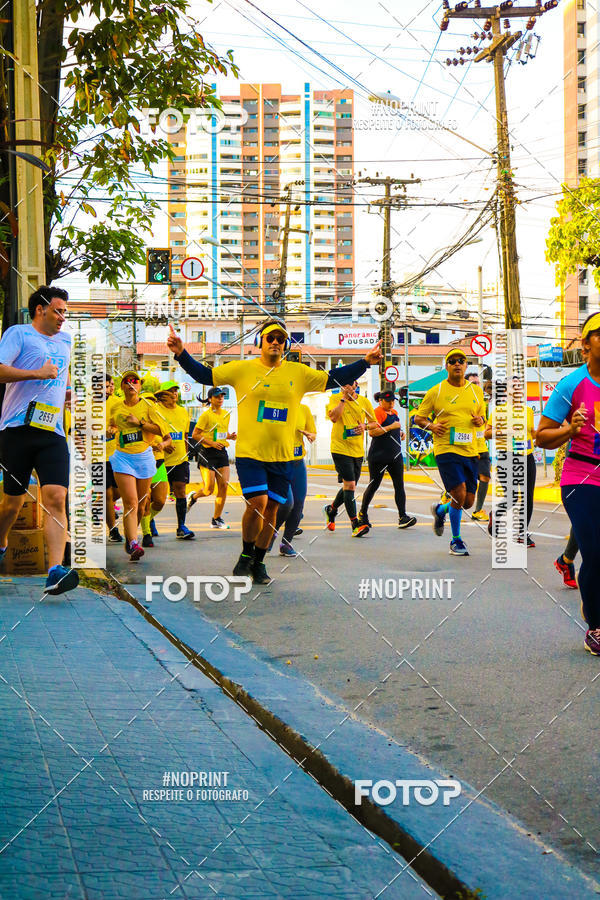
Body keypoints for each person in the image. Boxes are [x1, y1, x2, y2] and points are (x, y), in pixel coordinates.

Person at [167, 318, 382, 583]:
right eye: (271, 338)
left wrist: (365, 362)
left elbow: (332, 378)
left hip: (283, 456)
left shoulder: (298, 373)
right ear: (260, 342)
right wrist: (181, 353)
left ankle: (258, 561)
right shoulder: (242, 369)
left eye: (281, 339)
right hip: (250, 454)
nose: (276, 343)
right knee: (257, 503)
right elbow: (204, 375)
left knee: (272, 510)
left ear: (286, 345)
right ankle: (246, 554)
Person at [0, 286, 79, 595]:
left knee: (56, 497)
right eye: (58, 311)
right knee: (13, 503)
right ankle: (1, 542)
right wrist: (37, 374)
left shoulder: (66, 340)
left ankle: (55, 570)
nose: (62, 317)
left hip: (52, 432)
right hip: (16, 429)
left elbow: (62, 374)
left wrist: (67, 393)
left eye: (65, 312)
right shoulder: (18, 334)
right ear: (40, 309)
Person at [536, 311, 600, 655]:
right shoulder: (571, 384)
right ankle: (596, 626)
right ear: (586, 344)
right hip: (581, 477)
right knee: (595, 552)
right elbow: (542, 436)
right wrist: (570, 430)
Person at [413, 348, 486, 556]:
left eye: (461, 360)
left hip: (470, 450)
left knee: (468, 502)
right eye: (452, 361)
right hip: (446, 449)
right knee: (459, 493)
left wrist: (480, 420)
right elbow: (419, 418)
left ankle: (440, 510)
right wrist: (432, 426)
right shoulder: (436, 391)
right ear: (446, 366)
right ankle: (456, 541)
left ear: (466, 365)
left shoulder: (476, 391)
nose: (457, 364)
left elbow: (482, 418)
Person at [109, 370, 167, 561]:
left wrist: (139, 423)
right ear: (122, 386)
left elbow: (160, 430)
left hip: (144, 458)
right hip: (122, 458)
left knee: (141, 506)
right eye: (127, 381)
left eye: (135, 381)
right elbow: (113, 424)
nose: (131, 383)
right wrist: (111, 429)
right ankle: (134, 543)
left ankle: (130, 540)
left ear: (140, 385)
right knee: (131, 503)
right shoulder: (116, 407)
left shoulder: (148, 406)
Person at [357, 389, 416, 531]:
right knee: (374, 485)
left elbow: (393, 430)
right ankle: (362, 514)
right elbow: (373, 432)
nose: (391, 404)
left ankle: (402, 516)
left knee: (399, 485)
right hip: (379, 456)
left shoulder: (394, 413)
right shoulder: (377, 412)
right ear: (380, 401)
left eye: (392, 401)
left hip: (395, 455)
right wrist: (391, 427)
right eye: (388, 401)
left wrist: (400, 433)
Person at [485, 390, 537, 547]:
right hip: (506, 457)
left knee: (528, 496)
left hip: (527, 456)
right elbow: (487, 433)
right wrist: (506, 431)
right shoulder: (499, 411)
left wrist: (547, 434)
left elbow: (532, 433)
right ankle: (496, 514)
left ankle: (522, 534)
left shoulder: (528, 411)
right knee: (512, 497)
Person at [324, 382, 376, 538]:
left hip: (357, 451)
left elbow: (374, 423)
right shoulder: (335, 398)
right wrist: (343, 400)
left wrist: (365, 427)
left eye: (350, 384)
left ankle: (331, 510)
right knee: (350, 485)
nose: (347, 387)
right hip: (339, 448)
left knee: (349, 487)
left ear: (356, 385)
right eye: (344, 384)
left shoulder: (364, 402)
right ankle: (355, 524)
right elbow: (334, 418)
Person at [187, 387, 236, 529]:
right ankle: (193, 497)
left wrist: (230, 436)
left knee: (224, 486)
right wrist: (211, 443)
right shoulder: (206, 415)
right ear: (210, 399)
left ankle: (216, 519)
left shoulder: (226, 414)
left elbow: (221, 433)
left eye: (222, 396)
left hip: (221, 452)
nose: (220, 399)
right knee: (208, 490)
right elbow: (195, 435)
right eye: (217, 397)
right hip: (207, 453)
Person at [153, 381, 195, 539]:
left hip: (180, 459)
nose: (174, 393)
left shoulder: (183, 411)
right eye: (170, 391)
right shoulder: (155, 410)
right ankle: (149, 521)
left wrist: (186, 454)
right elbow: (151, 432)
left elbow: (185, 435)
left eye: (176, 390)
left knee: (181, 490)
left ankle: (181, 527)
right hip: (160, 459)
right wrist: (163, 445)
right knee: (156, 496)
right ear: (163, 395)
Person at [274, 401, 316, 557]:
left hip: (297, 462)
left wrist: (310, 435)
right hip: (278, 461)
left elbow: (313, 433)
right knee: (286, 503)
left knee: (298, 503)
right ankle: (271, 532)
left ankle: (286, 544)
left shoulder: (304, 409)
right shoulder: (273, 406)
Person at [105, 373, 123, 543]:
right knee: (107, 494)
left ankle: (100, 504)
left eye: (110, 385)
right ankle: (112, 530)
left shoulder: (118, 403)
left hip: (117, 454)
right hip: (96, 456)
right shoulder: (85, 405)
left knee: (118, 492)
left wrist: (114, 428)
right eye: (104, 386)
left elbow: (123, 424)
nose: (109, 388)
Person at [470, 377, 492, 522]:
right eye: (473, 383)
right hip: (465, 448)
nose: (477, 385)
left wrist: (481, 420)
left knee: (485, 477)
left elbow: (484, 418)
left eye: (478, 383)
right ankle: (446, 497)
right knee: (462, 488)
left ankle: (478, 510)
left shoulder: (480, 401)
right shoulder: (459, 400)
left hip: (481, 447)